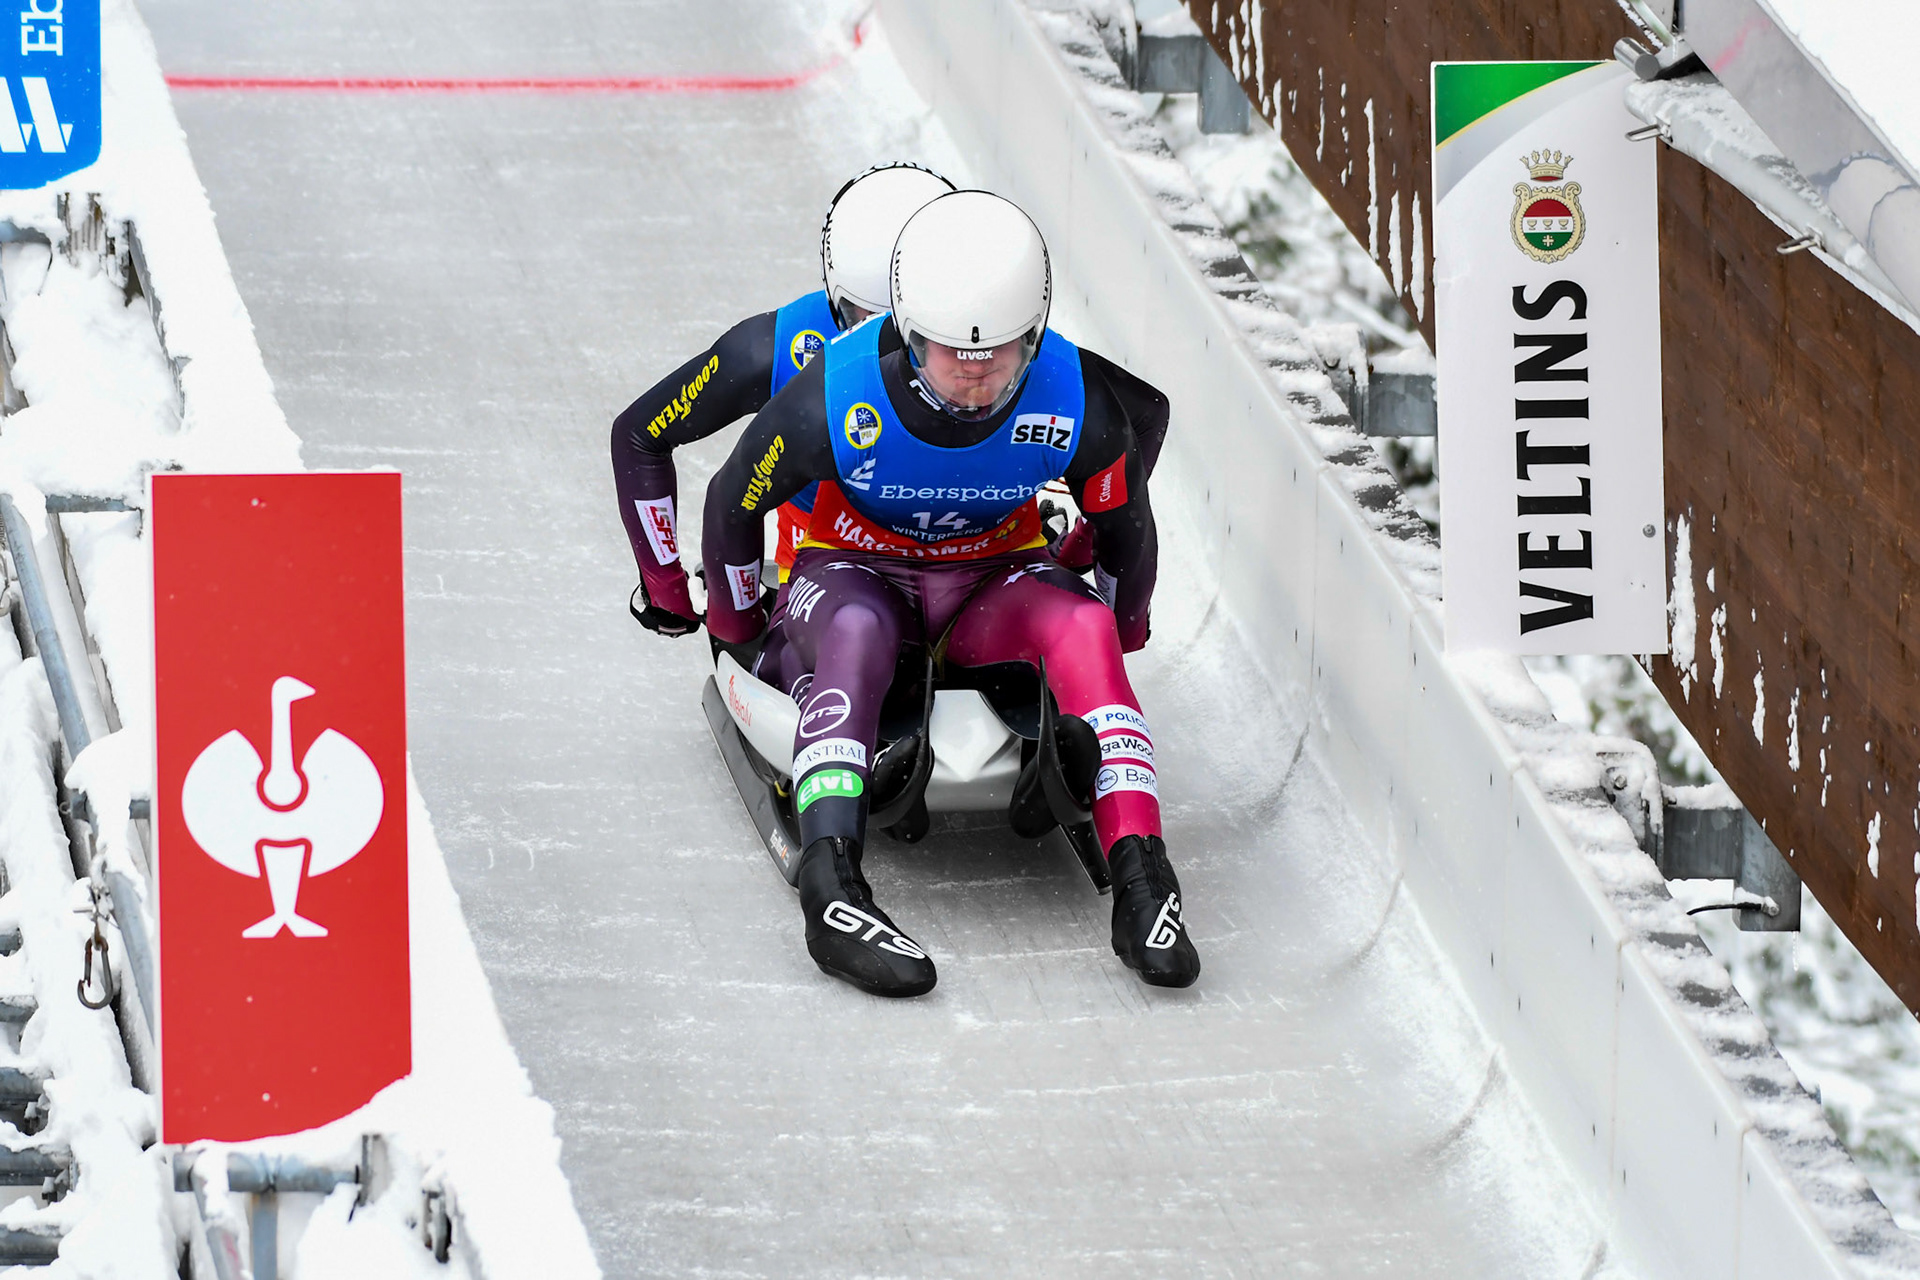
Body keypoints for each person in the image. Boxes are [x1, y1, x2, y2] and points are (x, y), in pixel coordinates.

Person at [702, 190, 1200, 997]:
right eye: (948, 356)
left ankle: (1144, 876)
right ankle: (833, 891)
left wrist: (1117, 625)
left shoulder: (1076, 398)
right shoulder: (835, 393)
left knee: (1079, 625)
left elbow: (1128, 527)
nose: (971, 378)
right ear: (906, 333)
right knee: (858, 628)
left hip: (991, 581)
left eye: (997, 358)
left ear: (1032, 339)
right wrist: (739, 624)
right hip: (853, 576)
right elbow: (732, 501)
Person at [611, 162, 955, 635]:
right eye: (870, 320)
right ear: (837, 302)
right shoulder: (775, 348)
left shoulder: (1004, 349)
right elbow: (640, 435)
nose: (898, 348)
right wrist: (666, 583)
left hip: (979, 553)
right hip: (835, 569)